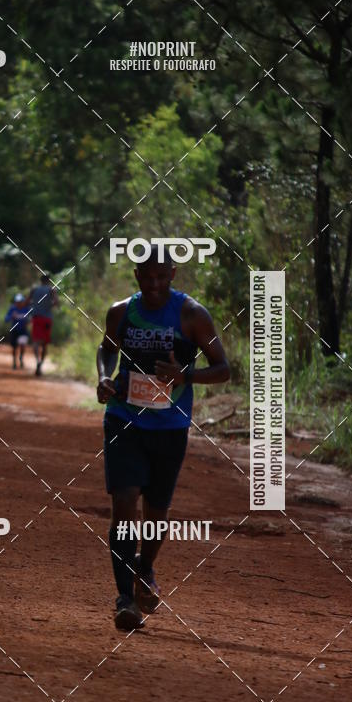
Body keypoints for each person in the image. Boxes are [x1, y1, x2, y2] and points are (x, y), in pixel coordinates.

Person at [96, 245, 230, 631]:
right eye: (147, 277)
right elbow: (107, 350)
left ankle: (146, 568)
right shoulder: (121, 311)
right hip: (123, 418)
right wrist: (105, 377)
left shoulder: (192, 315)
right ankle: (124, 599)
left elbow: (222, 369)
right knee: (124, 504)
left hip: (169, 427)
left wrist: (185, 376)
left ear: (173, 274)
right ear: (137, 276)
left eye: (161, 277)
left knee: (156, 515)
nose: (154, 285)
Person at [29, 274, 58, 376]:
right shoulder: (51, 290)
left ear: (40, 280)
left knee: (36, 341)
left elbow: (27, 301)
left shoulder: (34, 289)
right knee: (45, 343)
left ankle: (37, 360)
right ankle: (41, 363)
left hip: (36, 317)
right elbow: (56, 302)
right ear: (49, 280)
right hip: (47, 318)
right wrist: (48, 305)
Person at [5, 293, 30, 369]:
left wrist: (27, 320)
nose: (18, 303)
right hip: (14, 330)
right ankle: (14, 362)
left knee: (22, 345)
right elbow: (6, 319)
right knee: (14, 347)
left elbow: (31, 318)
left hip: (23, 330)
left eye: (20, 302)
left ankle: (21, 358)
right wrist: (11, 316)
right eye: (17, 302)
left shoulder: (26, 309)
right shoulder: (12, 308)